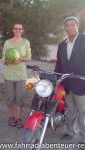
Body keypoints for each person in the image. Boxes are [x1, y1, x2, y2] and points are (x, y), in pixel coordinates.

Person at [55, 16, 85, 144]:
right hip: (66, 84)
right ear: (65, 27)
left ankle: (83, 137)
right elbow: (59, 64)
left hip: (81, 83)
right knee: (70, 110)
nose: (70, 27)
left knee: (83, 111)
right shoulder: (62, 45)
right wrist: (57, 81)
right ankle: (70, 131)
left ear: (77, 26)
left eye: (73, 24)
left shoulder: (84, 40)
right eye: (68, 25)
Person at [2, 23, 31, 128]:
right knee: (10, 97)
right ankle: (11, 117)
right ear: (13, 30)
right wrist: (8, 61)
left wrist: (20, 59)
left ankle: (18, 118)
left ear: (22, 30)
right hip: (9, 74)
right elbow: (3, 58)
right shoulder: (7, 42)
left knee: (20, 97)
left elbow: (29, 57)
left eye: (19, 29)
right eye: (16, 29)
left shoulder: (26, 42)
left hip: (21, 74)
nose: (17, 30)